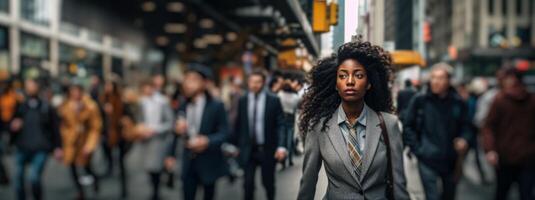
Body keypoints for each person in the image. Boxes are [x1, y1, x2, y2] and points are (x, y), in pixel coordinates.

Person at [297, 39, 409, 200]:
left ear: (369, 83)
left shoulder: (389, 124)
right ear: (336, 84)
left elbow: (399, 184)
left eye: (358, 75)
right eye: (343, 76)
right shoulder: (318, 126)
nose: (350, 81)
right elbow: (308, 182)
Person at [403, 63, 472, 200]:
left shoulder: (458, 102)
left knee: (449, 195)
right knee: (432, 196)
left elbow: (467, 126)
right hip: (427, 158)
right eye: (433, 77)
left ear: (449, 81)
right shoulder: (420, 100)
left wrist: (464, 139)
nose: (435, 81)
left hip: (450, 159)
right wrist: (418, 149)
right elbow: (408, 125)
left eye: (440, 78)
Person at [166, 64, 229, 200]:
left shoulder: (217, 106)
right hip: (188, 162)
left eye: (193, 80)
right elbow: (176, 132)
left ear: (205, 83)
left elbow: (224, 133)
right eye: (186, 79)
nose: (188, 84)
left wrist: (207, 141)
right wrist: (171, 154)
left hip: (209, 161)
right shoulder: (182, 105)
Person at [481, 68, 535, 200]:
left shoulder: (531, 101)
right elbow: (489, 127)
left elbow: (488, 126)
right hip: (508, 158)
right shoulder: (500, 100)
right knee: (506, 192)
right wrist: (490, 149)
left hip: (524, 158)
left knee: (522, 193)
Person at [234, 70, 287, 200]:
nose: (254, 85)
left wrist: (281, 146)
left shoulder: (273, 100)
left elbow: (280, 124)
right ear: (248, 82)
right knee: (248, 184)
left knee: (268, 183)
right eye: (252, 82)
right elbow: (239, 124)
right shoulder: (243, 100)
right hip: (248, 149)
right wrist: (235, 145)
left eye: (258, 82)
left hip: (267, 149)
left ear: (263, 83)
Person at [10, 79, 61, 200]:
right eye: (28, 86)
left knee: (34, 178)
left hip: (40, 148)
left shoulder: (47, 107)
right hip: (22, 147)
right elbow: (11, 124)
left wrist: (58, 147)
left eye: (32, 86)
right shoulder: (21, 106)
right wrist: (13, 127)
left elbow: (55, 128)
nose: (30, 88)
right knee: (18, 178)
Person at [57, 84, 102, 200]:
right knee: (72, 167)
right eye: (73, 91)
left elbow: (95, 127)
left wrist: (90, 144)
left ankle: (95, 180)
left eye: (77, 91)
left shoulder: (90, 106)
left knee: (86, 166)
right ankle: (80, 191)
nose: (75, 94)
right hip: (70, 142)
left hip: (84, 141)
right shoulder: (65, 105)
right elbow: (61, 124)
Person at [137, 80, 173, 200]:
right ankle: (154, 189)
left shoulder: (162, 102)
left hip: (159, 140)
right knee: (149, 168)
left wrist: (155, 130)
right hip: (146, 140)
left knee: (156, 167)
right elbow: (140, 119)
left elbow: (170, 122)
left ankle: (156, 192)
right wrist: (142, 129)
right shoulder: (142, 102)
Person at [277, 70, 303, 168]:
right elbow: (298, 107)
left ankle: (283, 159)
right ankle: (290, 159)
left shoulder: (279, 94)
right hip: (291, 118)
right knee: (290, 139)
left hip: (282, 117)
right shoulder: (295, 96)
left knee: (282, 138)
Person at [100, 80, 124, 177]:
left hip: (117, 128)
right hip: (106, 128)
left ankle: (120, 167)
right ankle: (110, 166)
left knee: (119, 149)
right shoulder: (103, 98)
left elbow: (122, 111)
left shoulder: (119, 99)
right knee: (106, 149)